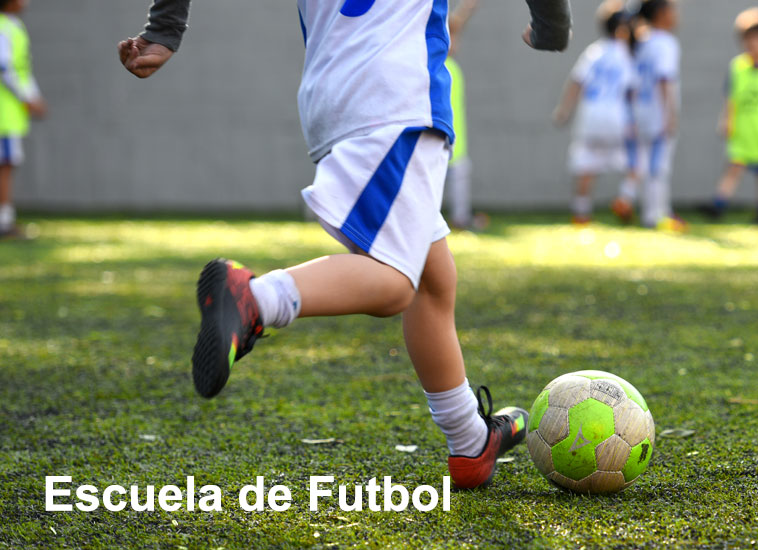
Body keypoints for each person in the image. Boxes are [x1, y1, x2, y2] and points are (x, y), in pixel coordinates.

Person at [116, 0, 571, 489]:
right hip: (399, 94)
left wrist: (164, 29)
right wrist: (552, 27)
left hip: (332, 92)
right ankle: (255, 299)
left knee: (434, 280)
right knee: (395, 282)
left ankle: (469, 443)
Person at [702, 7, 758, 225]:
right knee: (734, 166)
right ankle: (719, 204)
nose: (754, 45)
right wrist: (725, 120)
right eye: (749, 40)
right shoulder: (737, 68)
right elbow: (731, 98)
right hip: (744, 129)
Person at [552, 1, 637, 226]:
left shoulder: (594, 51)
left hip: (590, 116)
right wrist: (635, 119)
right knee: (633, 161)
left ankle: (581, 213)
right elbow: (632, 90)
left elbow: (576, 82)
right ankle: (625, 199)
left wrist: (564, 110)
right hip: (616, 116)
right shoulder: (625, 55)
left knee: (586, 165)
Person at [630, 0, 683, 231]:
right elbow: (664, 79)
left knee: (643, 164)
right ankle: (657, 214)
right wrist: (670, 114)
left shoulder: (641, 42)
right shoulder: (665, 42)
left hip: (639, 112)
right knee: (658, 166)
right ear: (662, 14)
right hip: (657, 113)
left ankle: (651, 212)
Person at [0, 0, 45, 239]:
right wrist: (26, 98)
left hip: (10, 115)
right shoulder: (3, 28)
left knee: (7, 164)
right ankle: (4, 223)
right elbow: (4, 68)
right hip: (4, 115)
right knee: (5, 165)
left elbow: (21, 69)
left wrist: (33, 96)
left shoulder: (14, 26)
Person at [444, 0, 486, 231]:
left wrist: (467, 9)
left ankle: (461, 219)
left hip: (456, 144)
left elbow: (455, 25)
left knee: (459, 183)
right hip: (439, 141)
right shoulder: (437, 67)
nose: (456, 43)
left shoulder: (450, 67)